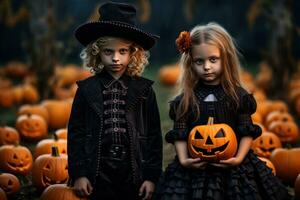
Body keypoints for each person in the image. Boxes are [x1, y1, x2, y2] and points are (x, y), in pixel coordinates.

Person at [156, 22, 291, 200]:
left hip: (234, 163)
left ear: (225, 59)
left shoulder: (238, 97)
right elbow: (180, 132)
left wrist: (239, 158)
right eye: (199, 61)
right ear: (190, 63)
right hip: (196, 165)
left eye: (213, 60)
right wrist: (183, 160)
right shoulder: (185, 100)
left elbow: (246, 131)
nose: (206, 67)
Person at [67, 2, 162, 200]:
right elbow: (76, 134)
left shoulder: (144, 91)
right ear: (97, 53)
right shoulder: (86, 90)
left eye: (122, 52)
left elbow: (153, 136)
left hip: (133, 169)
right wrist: (79, 174)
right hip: (98, 169)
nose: (116, 59)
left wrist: (151, 177)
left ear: (133, 53)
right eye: (108, 52)